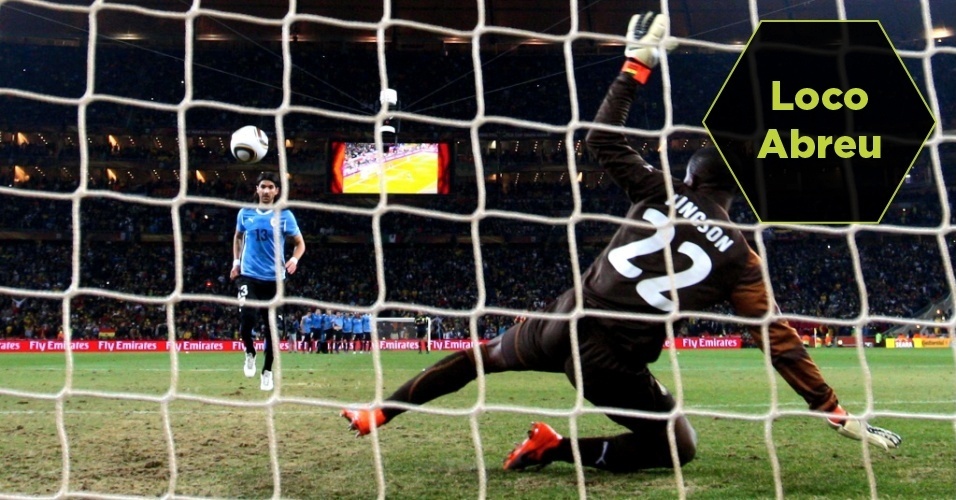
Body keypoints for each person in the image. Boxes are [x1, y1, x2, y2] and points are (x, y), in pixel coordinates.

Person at [341, 12, 901, 472]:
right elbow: (775, 340)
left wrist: (636, 65)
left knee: (477, 359)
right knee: (678, 446)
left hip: (561, 321)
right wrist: (829, 406)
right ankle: (556, 448)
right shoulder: (740, 259)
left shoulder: (657, 188)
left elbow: (600, 138)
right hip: (608, 362)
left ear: (691, 175)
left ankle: (378, 414)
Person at [231, 171, 306, 391]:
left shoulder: (285, 216)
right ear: (257, 189)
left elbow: (300, 243)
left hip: (275, 281)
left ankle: (267, 371)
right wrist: (236, 262)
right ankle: (250, 352)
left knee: (274, 329)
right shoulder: (245, 214)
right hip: (248, 276)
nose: (266, 191)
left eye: (270, 187)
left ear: (277, 191)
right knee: (247, 319)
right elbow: (237, 237)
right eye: (262, 186)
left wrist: (294, 259)